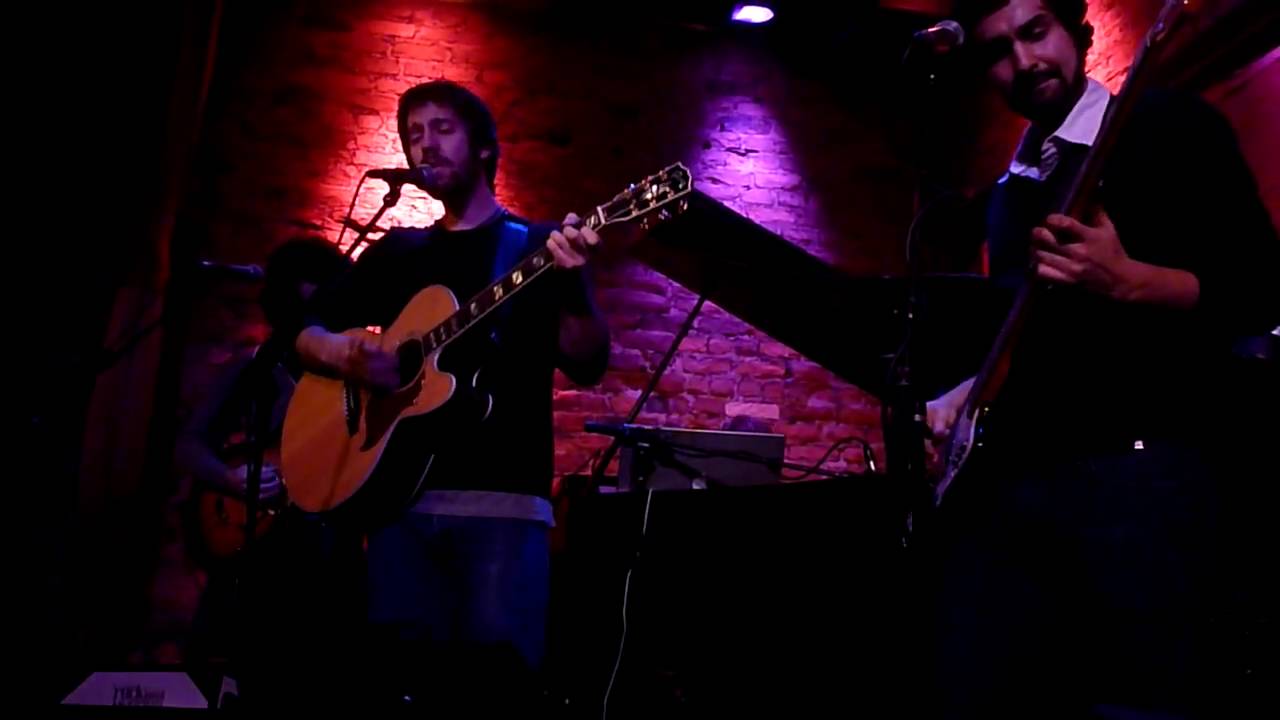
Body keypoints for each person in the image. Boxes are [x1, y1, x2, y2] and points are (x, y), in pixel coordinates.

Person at [922, 0, 1279, 716]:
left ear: (1078, 32)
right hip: (1031, 493)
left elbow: (1259, 290)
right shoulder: (1011, 194)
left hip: (1149, 480)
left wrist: (1129, 280)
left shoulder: (1166, 126)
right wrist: (970, 392)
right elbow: (1040, 342)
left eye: (1035, 33)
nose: (1024, 62)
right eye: (997, 51)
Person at [292, 79, 611, 711]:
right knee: (395, 691)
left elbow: (588, 362)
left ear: (486, 148)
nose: (424, 145)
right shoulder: (400, 252)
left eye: (442, 129)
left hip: (503, 508)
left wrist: (573, 288)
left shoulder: (535, 247)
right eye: (414, 135)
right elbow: (300, 331)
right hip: (397, 508)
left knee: (496, 695)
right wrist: (345, 355)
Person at [175, 237, 363, 704]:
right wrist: (229, 478)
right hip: (252, 552)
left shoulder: (355, 378)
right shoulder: (255, 366)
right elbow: (188, 443)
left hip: (323, 552)